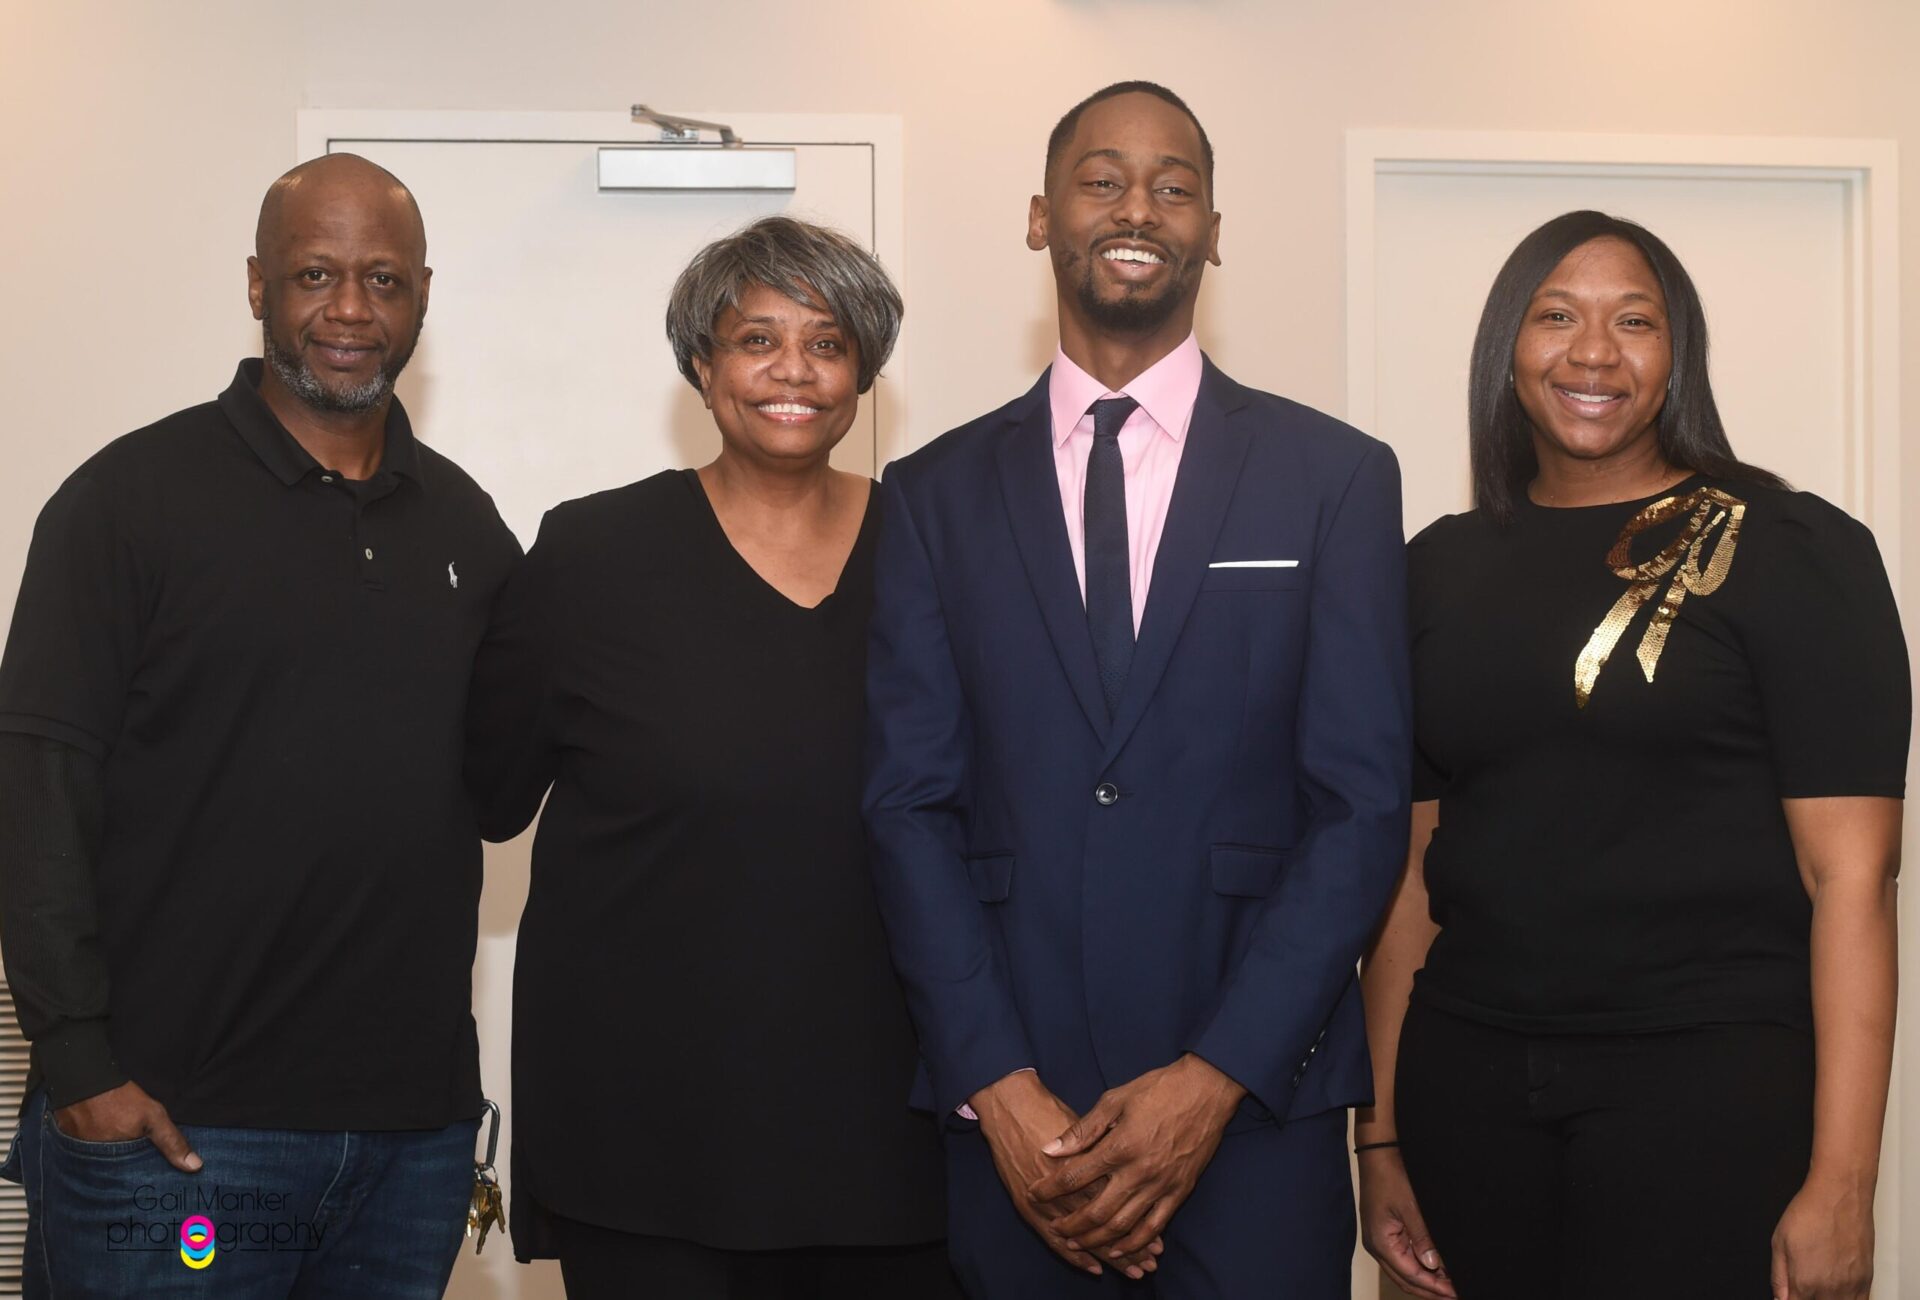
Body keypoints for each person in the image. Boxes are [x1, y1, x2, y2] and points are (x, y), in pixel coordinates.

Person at [864, 81, 1410, 1297]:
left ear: (1214, 229)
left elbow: (1362, 809)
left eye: (1175, 187)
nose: (1138, 208)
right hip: (1019, 1127)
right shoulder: (931, 495)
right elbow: (908, 806)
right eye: (1102, 179)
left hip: (1256, 1115)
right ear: (1040, 215)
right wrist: (997, 1085)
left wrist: (1214, 1077)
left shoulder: (1334, 479)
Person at [1358, 210, 1907, 1300]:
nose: (1594, 352)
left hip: (1708, 1084)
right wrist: (1377, 1140)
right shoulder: (1432, 570)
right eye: (1555, 315)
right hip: (1467, 1083)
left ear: (1678, 353)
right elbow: (1410, 872)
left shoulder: (1794, 550)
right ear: (1507, 347)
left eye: (1635, 321)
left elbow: (1852, 875)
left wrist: (1846, 1182)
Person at [0, 153, 519, 1297]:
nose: (349, 309)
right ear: (256, 287)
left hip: (409, 1146)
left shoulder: (467, 530)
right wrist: (78, 1063)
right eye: (314, 275)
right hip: (175, 1137)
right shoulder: (127, 503)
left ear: (423, 293)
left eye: (383, 279)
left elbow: (503, 786)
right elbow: (35, 789)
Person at [465, 215, 955, 1299]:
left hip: (894, 1131)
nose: (793, 370)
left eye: (827, 342)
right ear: (701, 364)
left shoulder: (936, 548)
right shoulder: (590, 557)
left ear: (863, 373)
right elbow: (487, 793)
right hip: (651, 1142)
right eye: (756, 339)